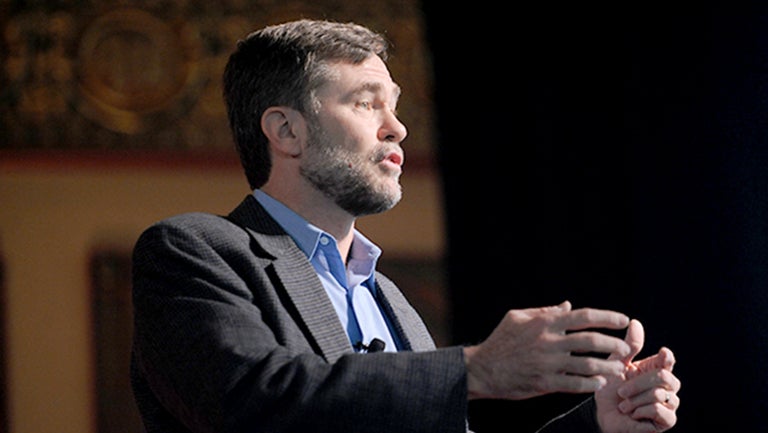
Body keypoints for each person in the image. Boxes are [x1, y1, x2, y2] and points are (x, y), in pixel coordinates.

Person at [130, 19, 681, 433]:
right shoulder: (194, 251)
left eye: (393, 106)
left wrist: (595, 425)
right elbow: (251, 403)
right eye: (366, 103)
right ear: (286, 131)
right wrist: (477, 370)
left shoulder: (390, 300)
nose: (398, 129)